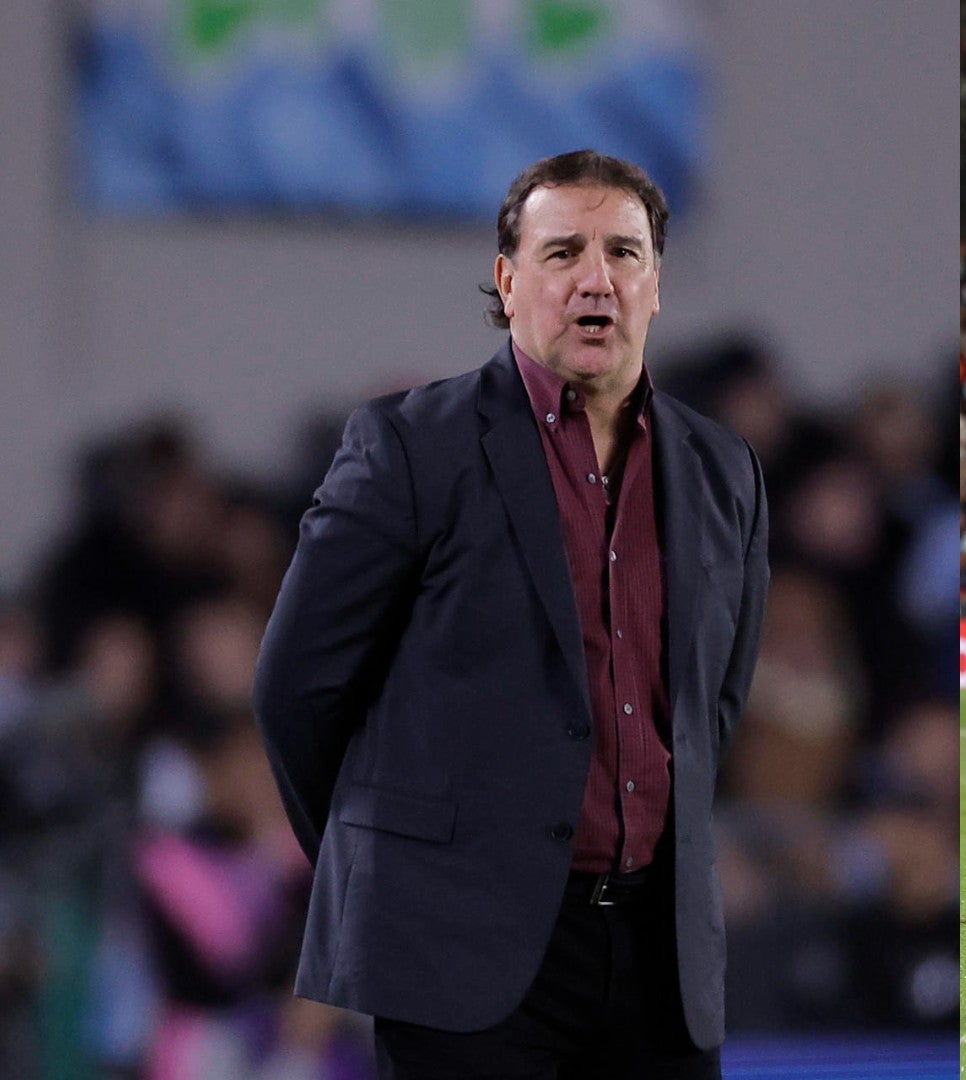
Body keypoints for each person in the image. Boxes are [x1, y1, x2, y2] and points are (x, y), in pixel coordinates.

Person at [254, 150, 769, 1078]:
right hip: (459, 954)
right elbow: (297, 689)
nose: (595, 280)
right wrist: (399, 866)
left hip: (660, 962)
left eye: (623, 253)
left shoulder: (724, 469)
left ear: (656, 284)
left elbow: (712, 706)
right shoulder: (410, 447)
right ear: (507, 279)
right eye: (563, 251)